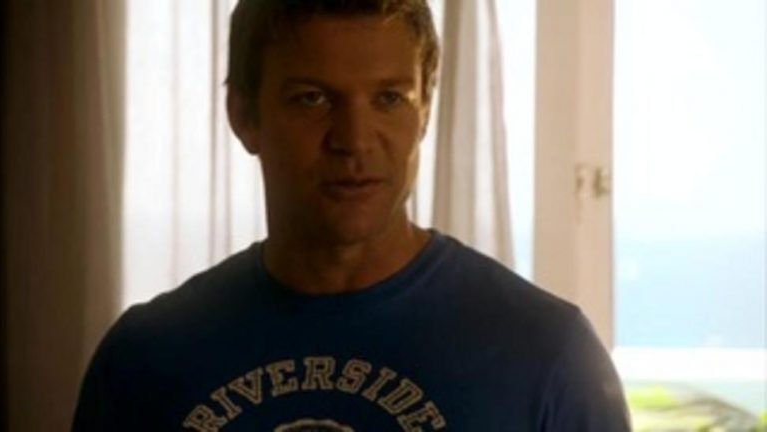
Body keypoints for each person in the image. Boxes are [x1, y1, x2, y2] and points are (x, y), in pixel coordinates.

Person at [73, 0, 630, 430]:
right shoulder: (146, 360)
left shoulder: (546, 358)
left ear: (425, 110)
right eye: (312, 99)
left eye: (389, 99)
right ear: (244, 116)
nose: (354, 140)